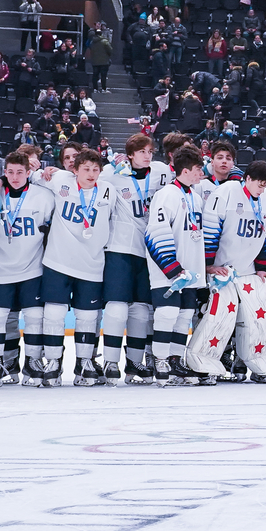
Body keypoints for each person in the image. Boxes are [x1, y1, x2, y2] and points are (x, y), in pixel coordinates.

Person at [39, 148, 121, 386]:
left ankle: (84, 363)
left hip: (92, 263)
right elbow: (34, 177)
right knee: (53, 313)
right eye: (86, 169)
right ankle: (53, 362)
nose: (91, 174)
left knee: (88, 317)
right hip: (59, 260)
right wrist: (44, 170)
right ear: (74, 169)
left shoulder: (107, 190)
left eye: (96, 169)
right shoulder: (60, 180)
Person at [0, 149, 57, 386]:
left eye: (20, 172)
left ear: (28, 172)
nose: (15, 177)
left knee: (35, 316)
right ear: (4, 173)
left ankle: (33, 362)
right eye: (10, 172)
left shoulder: (43, 196)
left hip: (32, 267)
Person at [101, 135, 169, 383]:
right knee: (117, 306)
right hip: (120, 246)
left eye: (150, 151)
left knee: (142, 309)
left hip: (149, 251)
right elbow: (84, 178)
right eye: (141, 151)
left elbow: (186, 175)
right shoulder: (113, 172)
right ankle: (109, 361)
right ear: (130, 154)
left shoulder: (161, 172)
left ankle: (134, 363)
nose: (147, 155)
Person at [143, 146, 211, 385]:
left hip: (191, 269)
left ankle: (174, 361)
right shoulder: (167, 194)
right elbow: (155, 233)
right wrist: (172, 268)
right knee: (167, 313)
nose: (201, 173)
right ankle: (160, 359)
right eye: (197, 169)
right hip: (168, 270)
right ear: (185, 170)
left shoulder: (194, 195)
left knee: (184, 315)